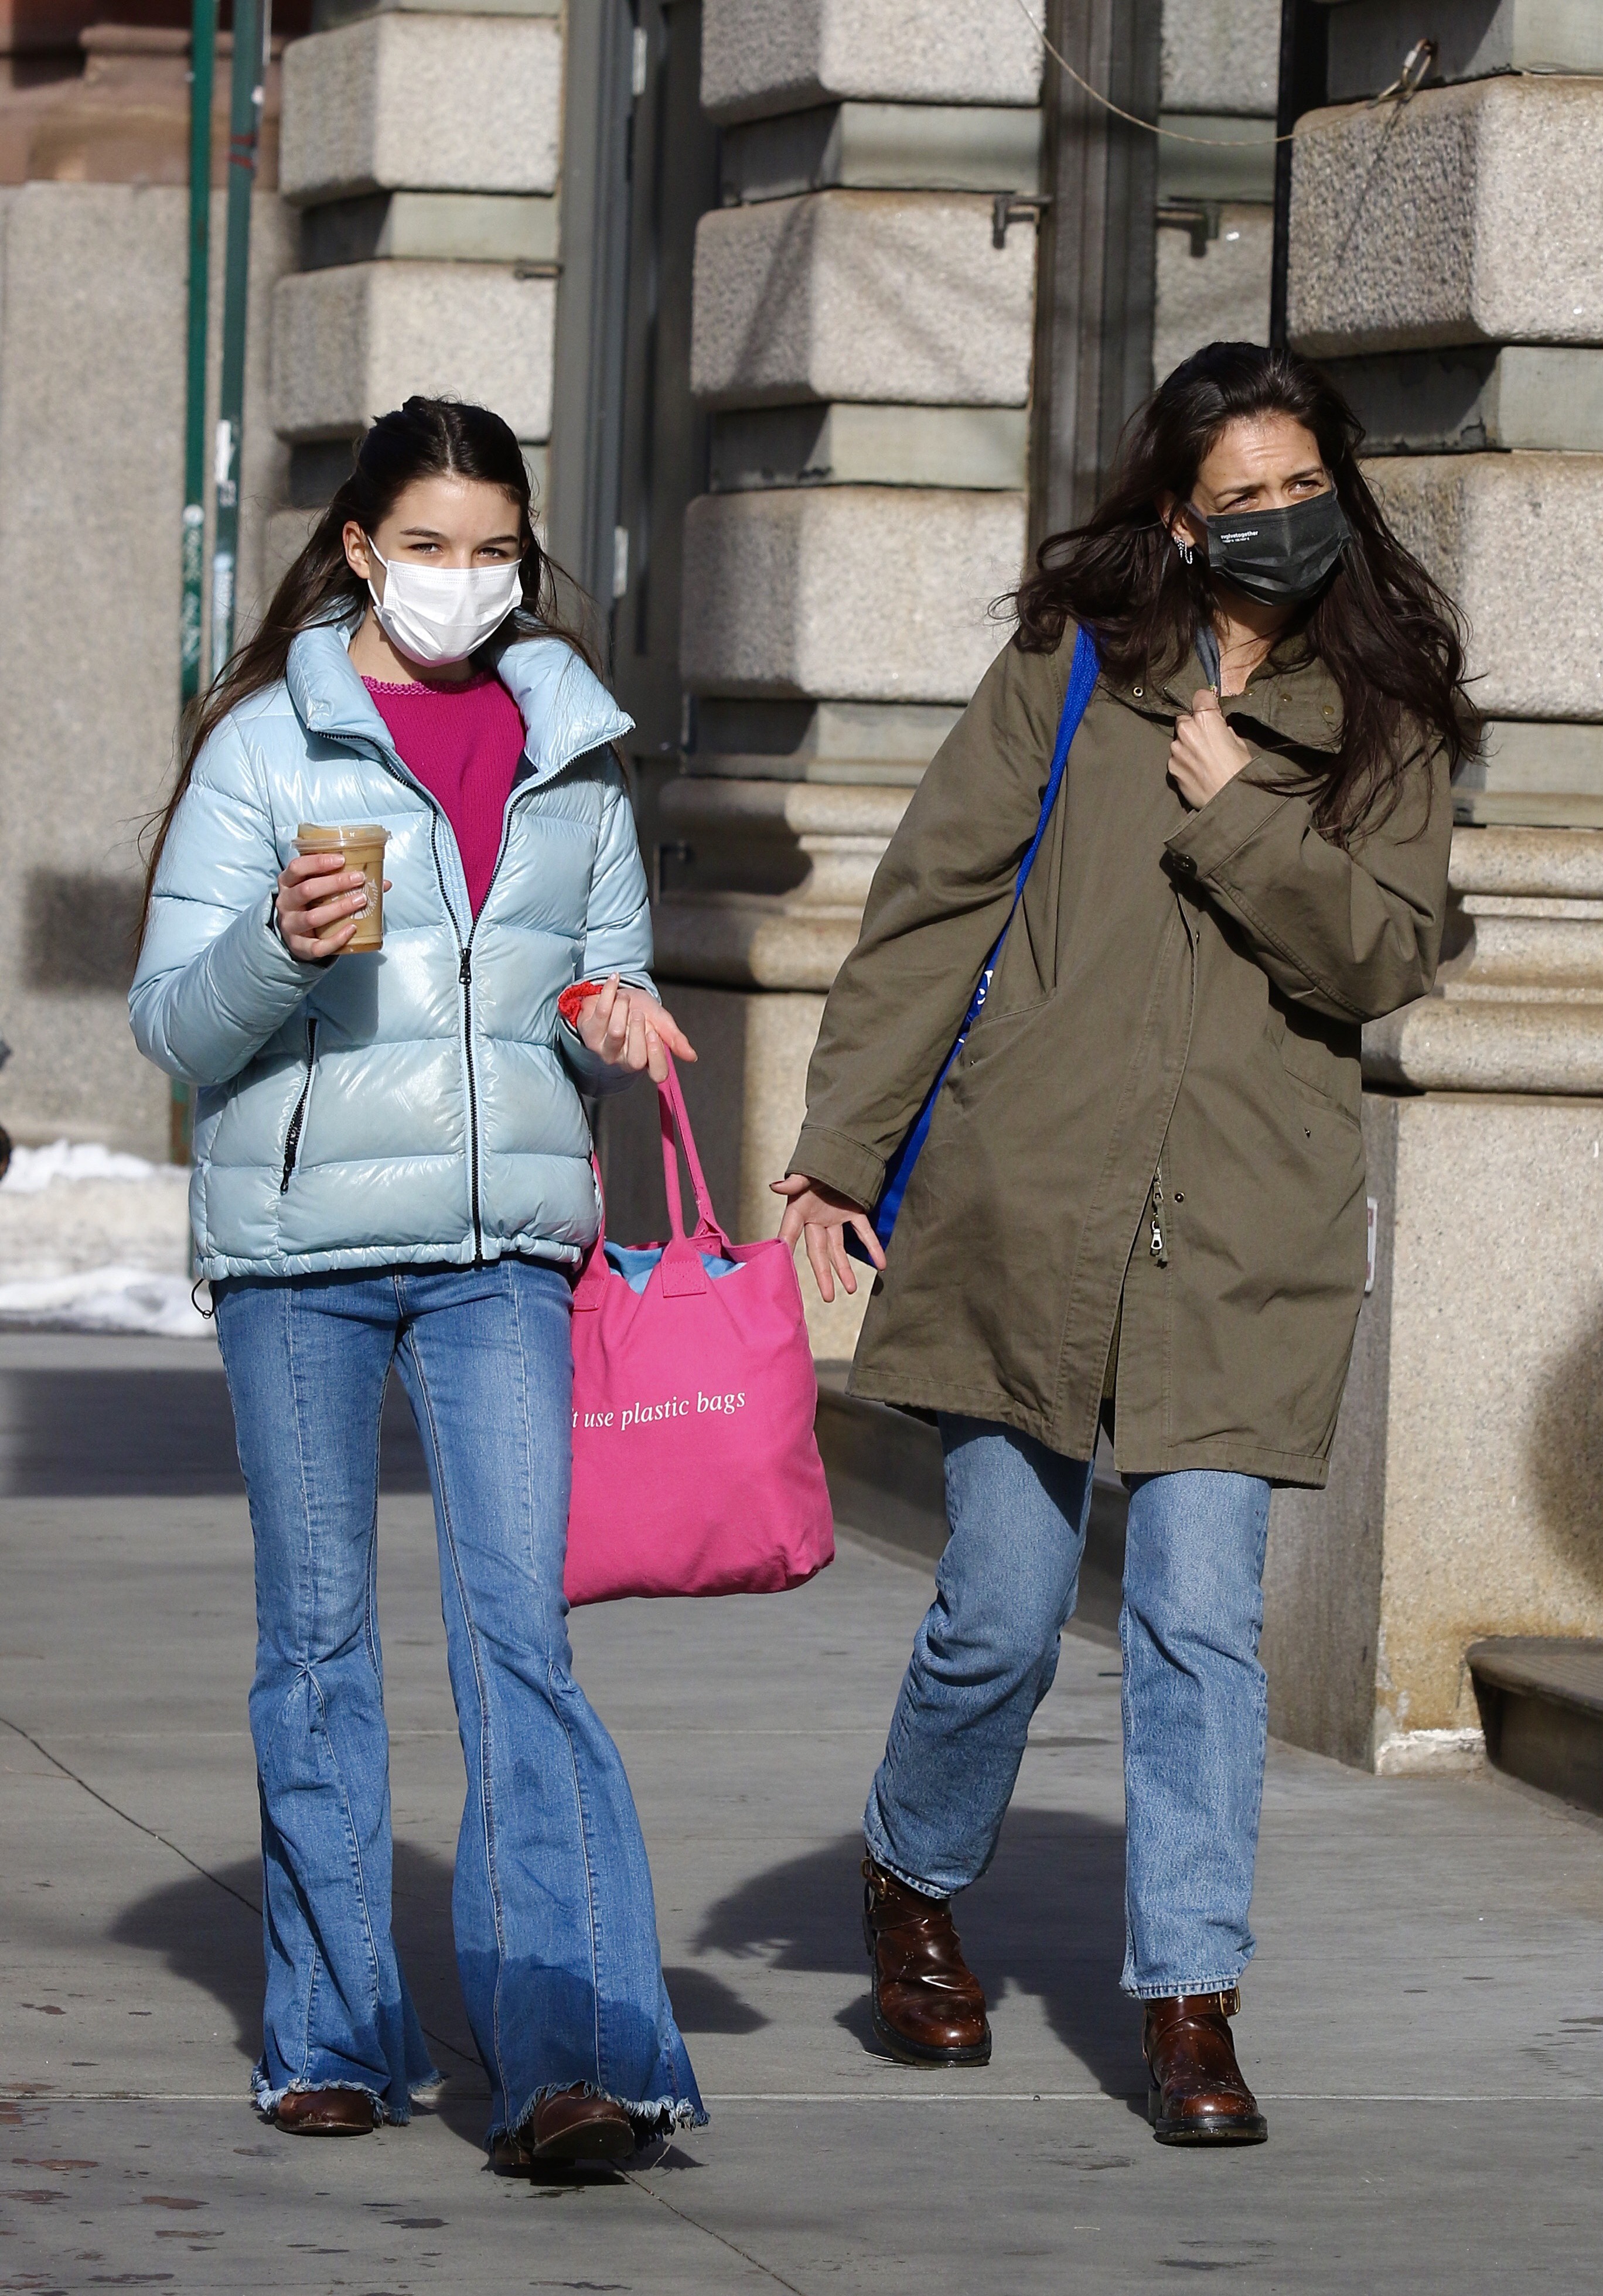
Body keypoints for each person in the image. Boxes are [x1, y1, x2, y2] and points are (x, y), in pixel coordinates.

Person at [775, 343, 1472, 2146]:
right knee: (999, 1617)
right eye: (1238, 500)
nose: (1277, 523)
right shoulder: (1075, 663)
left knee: (1194, 1624)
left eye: (1301, 486)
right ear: (1178, 514)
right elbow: (933, 898)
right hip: (1033, 1199)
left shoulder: (1388, 709)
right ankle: (911, 1873)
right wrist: (841, 1147)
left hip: (1245, 1224)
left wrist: (1237, 807)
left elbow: (1382, 956)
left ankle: (1189, 1998)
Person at [131, 395, 705, 2168]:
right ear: (366, 548)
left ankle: (568, 2060)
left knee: (516, 1640)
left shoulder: (574, 748)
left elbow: (593, 981)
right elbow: (172, 1022)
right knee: (316, 1648)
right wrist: (276, 951)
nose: (468, 581)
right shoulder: (265, 749)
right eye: (432, 546)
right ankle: (330, 2034)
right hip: (303, 1253)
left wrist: (608, 1020)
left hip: (497, 1260)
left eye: (498, 549)